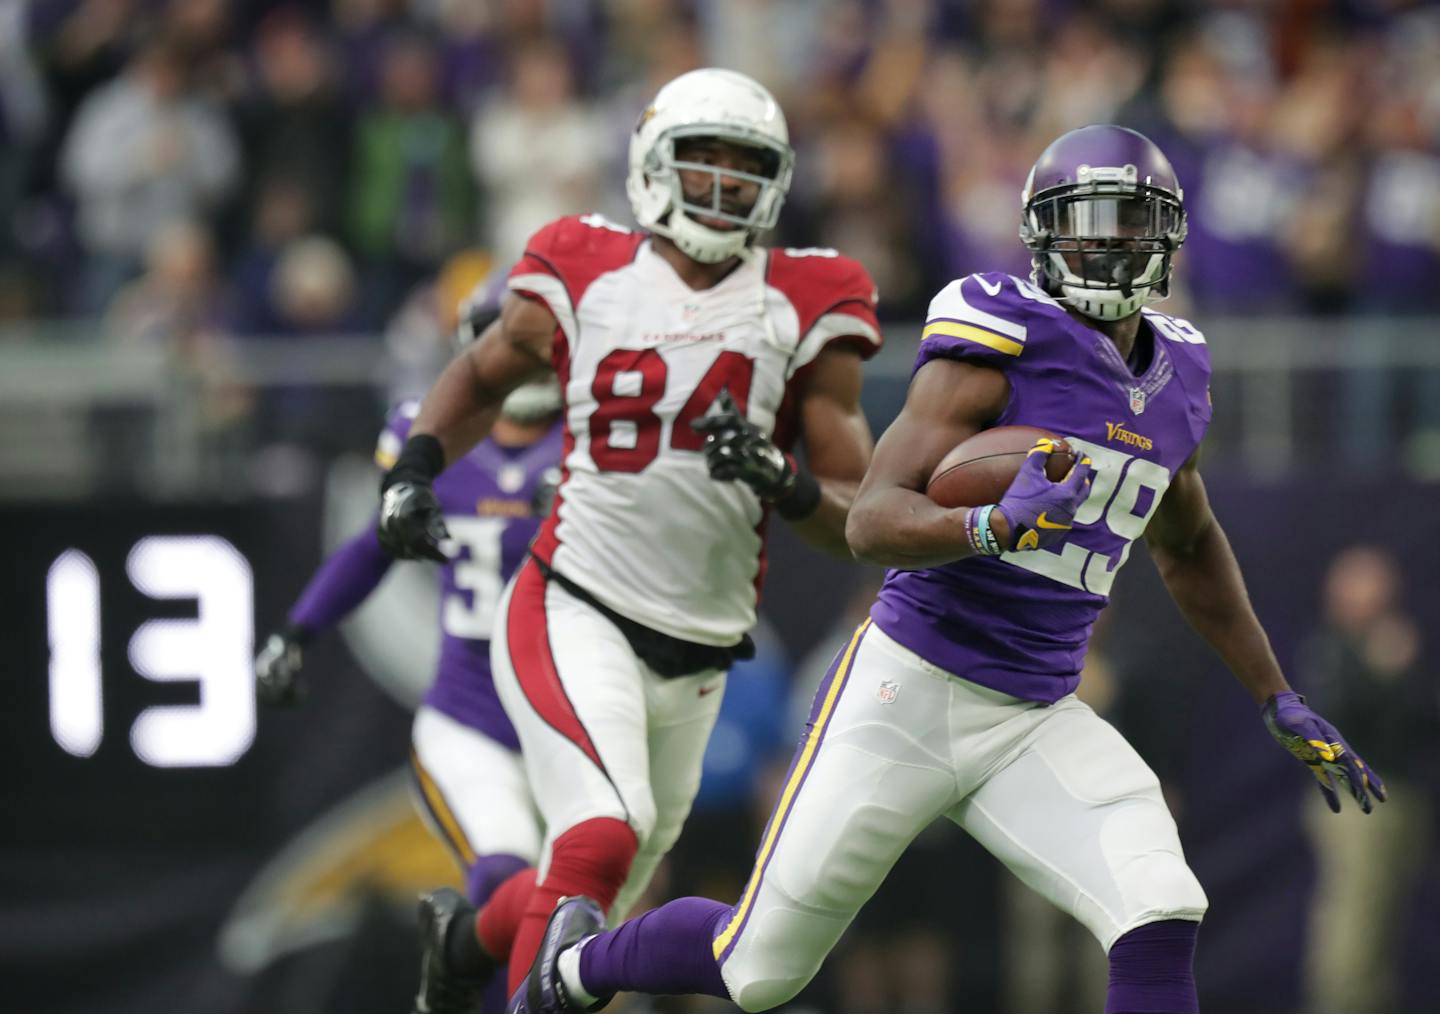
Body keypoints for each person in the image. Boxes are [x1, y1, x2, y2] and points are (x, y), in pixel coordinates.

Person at [509, 124, 1386, 1014]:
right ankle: (577, 965)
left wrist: (1274, 693)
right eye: (1087, 222)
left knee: (1160, 902)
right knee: (759, 967)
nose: (1111, 242)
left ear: (1167, 232)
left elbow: (1188, 542)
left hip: (1037, 709)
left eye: (1130, 221)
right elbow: (874, 518)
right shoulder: (1003, 330)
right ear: (1043, 233)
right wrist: (986, 527)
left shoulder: (1183, 368)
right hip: (912, 688)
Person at [376, 69, 881, 1014]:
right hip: (576, 602)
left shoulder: (805, 299)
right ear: (653, 166)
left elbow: (859, 519)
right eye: (707, 161)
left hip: (698, 655)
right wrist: (413, 469)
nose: (727, 185)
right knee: (603, 836)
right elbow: (482, 374)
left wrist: (784, 480)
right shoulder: (586, 265)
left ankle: (466, 940)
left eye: (747, 168)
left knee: (596, 897)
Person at [253, 295, 564, 1012]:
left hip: (575, 723)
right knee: (506, 886)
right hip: (472, 718)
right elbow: (373, 545)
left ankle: (460, 971)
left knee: (579, 915)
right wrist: (298, 633)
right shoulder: (438, 445)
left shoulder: (598, 449)